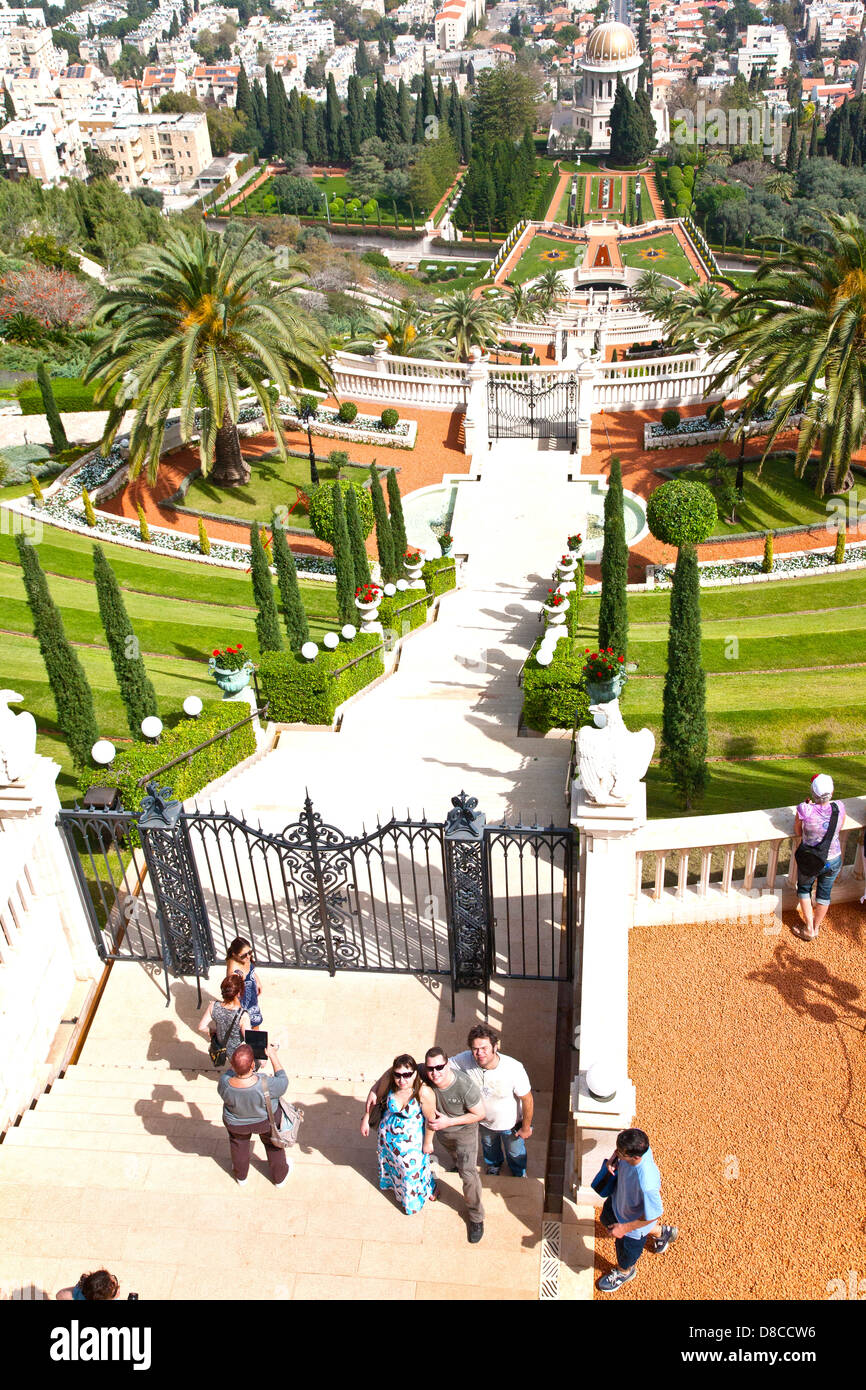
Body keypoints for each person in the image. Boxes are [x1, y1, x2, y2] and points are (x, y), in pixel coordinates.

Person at [596, 1127, 677, 1294]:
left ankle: (625, 1272)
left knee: (625, 1254)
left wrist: (624, 1228)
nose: (618, 1153)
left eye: (621, 1153)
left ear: (635, 1157)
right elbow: (620, 1150)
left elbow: (652, 1214)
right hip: (618, 1202)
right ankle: (662, 1233)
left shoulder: (647, 1183)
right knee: (606, 1219)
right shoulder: (638, 1144)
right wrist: (613, 1159)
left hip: (631, 1228)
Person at [450, 1024, 533, 1178]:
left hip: (512, 1124)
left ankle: (519, 1172)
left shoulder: (514, 1068)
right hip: (484, 1122)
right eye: (475, 1049)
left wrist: (526, 1127)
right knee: (489, 1147)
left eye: (484, 1048)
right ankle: (494, 1165)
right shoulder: (466, 1059)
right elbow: (442, 1065)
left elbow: (527, 1099)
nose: (479, 1053)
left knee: (515, 1152)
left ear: (495, 1046)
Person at [423, 1045, 486, 1243]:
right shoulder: (425, 1073)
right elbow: (398, 1069)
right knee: (457, 1162)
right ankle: (456, 1163)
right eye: (430, 1069)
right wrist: (374, 1091)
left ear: (448, 1064)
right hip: (443, 1134)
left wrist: (448, 1121)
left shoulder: (464, 1086)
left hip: (464, 1134)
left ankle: (476, 1217)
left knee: (468, 1174)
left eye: (439, 1067)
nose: (435, 1073)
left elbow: (480, 1114)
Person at [360, 1054, 437, 1215]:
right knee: (394, 1168)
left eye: (407, 1075)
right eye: (398, 1075)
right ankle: (395, 1189)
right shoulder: (389, 1081)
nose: (402, 1080)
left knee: (411, 1172)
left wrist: (428, 1143)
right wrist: (366, 1118)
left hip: (412, 1144)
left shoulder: (424, 1093)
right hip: (388, 1139)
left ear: (415, 1073)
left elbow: (431, 1120)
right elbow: (377, 1099)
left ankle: (415, 1200)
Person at [218, 1042, 291, 1187]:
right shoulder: (265, 1082)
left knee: (239, 1146)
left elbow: (231, 1073)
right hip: (266, 1122)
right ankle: (279, 1178)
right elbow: (283, 1082)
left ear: (232, 1064)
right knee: (273, 1145)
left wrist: (238, 1060)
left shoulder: (225, 1083)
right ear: (253, 1065)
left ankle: (241, 1177)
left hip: (236, 1124)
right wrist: (273, 1055)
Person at [792, 773, 846, 941]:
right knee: (824, 893)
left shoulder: (804, 809)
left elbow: (798, 832)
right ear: (832, 791)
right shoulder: (839, 807)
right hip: (834, 858)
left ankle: (808, 929)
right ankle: (816, 927)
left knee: (804, 889)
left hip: (812, 859)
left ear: (812, 792)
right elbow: (840, 826)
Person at [198, 974, 250, 1063]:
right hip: (239, 1054)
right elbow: (249, 1040)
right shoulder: (243, 1015)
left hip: (224, 1048)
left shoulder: (213, 1006)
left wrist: (214, 1030)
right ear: (238, 993)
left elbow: (201, 1027)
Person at [225, 937, 263, 1029]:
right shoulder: (234, 970)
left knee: (254, 1019)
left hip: (251, 993)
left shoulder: (244, 958)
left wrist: (257, 982)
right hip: (242, 998)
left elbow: (251, 970)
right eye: (243, 955)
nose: (248, 957)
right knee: (247, 1022)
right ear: (234, 955)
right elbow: (232, 990)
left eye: (250, 953)